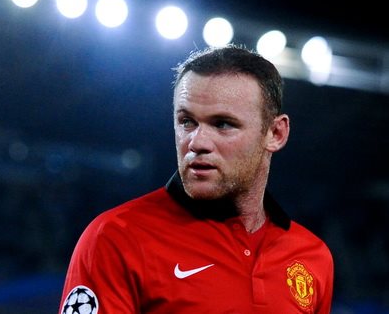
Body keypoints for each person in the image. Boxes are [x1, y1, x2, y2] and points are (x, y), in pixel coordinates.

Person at [58, 44, 334, 314]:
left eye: (223, 124)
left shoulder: (312, 256)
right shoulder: (116, 238)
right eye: (187, 121)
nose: (197, 142)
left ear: (275, 134)